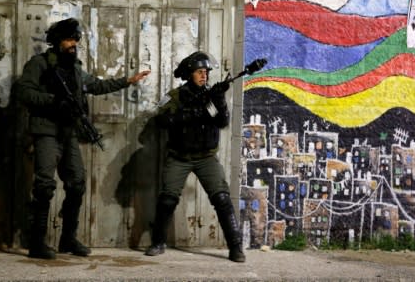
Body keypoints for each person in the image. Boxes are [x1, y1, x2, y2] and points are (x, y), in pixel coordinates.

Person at [16, 18, 150, 259]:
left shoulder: (75, 68)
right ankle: (37, 243)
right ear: (57, 42)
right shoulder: (39, 64)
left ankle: (68, 238)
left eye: (76, 40)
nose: (73, 44)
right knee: (45, 186)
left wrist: (127, 81)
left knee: (77, 183)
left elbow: (96, 86)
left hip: (68, 133)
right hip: (46, 131)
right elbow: (23, 91)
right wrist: (53, 101)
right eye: (69, 40)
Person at [144, 51, 245, 263]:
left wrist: (219, 101)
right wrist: (189, 114)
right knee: (167, 199)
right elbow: (160, 119)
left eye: (206, 72)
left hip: (206, 157)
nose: (204, 76)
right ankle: (158, 242)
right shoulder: (176, 96)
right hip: (179, 157)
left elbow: (222, 122)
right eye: (199, 72)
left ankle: (235, 247)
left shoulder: (211, 95)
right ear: (189, 74)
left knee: (222, 199)